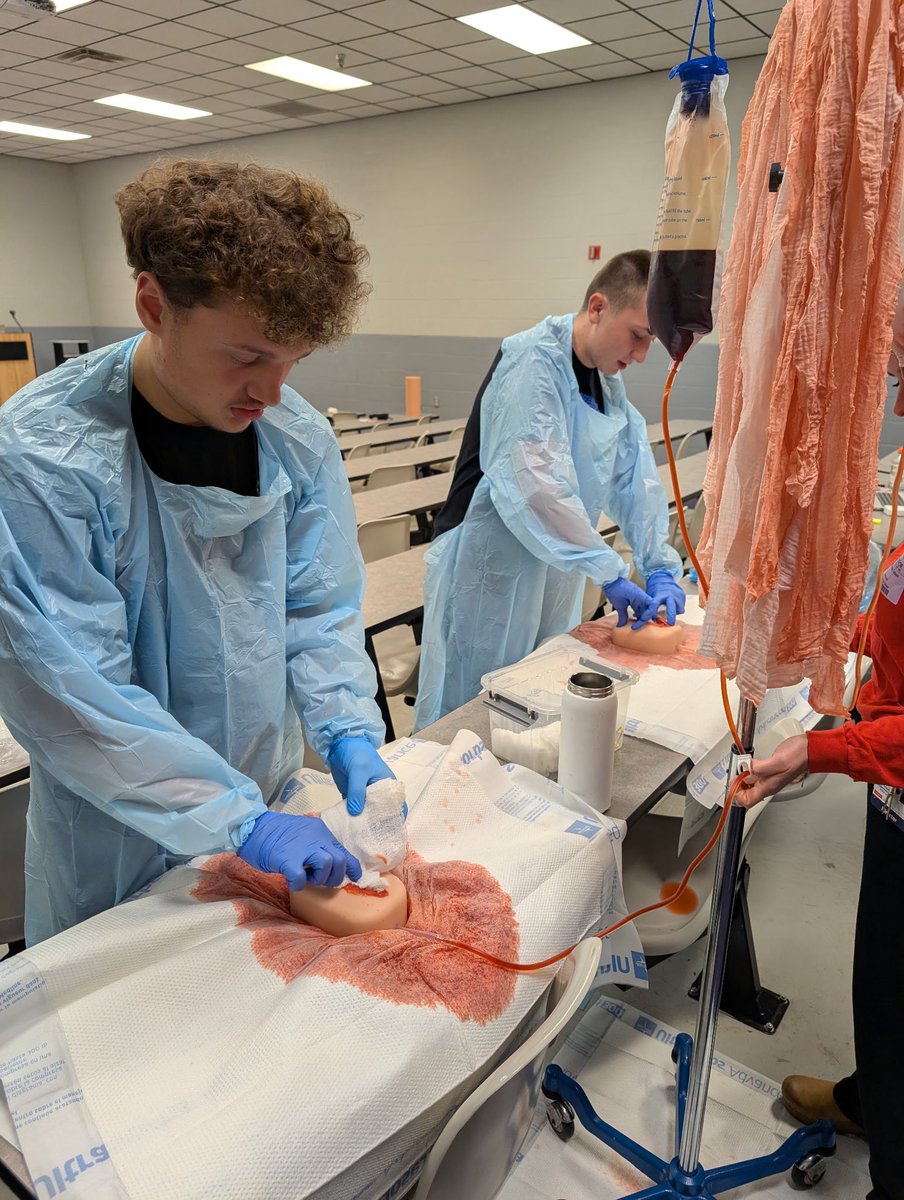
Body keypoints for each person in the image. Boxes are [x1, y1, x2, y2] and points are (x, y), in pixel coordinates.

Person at [0, 158, 395, 946]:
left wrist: (349, 728)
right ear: (154, 303)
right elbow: (77, 692)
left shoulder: (295, 438)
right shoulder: (46, 456)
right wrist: (234, 818)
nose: (272, 392)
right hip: (116, 830)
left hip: (266, 798)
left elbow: (317, 607)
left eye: (293, 361)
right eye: (248, 357)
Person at [737, 329, 904, 1200]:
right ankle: (872, 1099)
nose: (898, 397)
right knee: (881, 967)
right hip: (894, 797)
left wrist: (822, 745)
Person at [413, 250, 685, 730]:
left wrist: (657, 564)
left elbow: (633, 475)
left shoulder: (606, 382)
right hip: (489, 563)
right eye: (639, 336)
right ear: (598, 308)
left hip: (558, 564)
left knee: (534, 698)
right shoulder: (532, 359)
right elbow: (534, 484)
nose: (642, 356)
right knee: (470, 707)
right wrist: (608, 569)